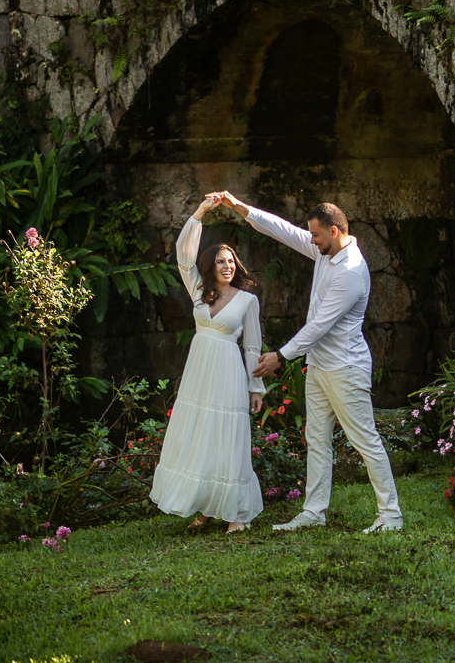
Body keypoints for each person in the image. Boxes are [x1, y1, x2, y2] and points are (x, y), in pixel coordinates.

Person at [213, 191, 403, 534]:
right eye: (310, 234)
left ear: (334, 231)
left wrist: (280, 356)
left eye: (315, 234)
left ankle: (391, 516)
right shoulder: (325, 250)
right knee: (316, 440)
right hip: (318, 367)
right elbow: (283, 230)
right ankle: (314, 512)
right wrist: (240, 208)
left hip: (346, 368)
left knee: (366, 441)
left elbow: (319, 326)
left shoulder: (351, 271)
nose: (310, 239)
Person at [149, 194, 265, 533]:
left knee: (228, 436)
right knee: (200, 435)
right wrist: (201, 212)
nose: (227, 266)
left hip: (229, 373)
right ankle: (205, 506)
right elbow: (184, 255)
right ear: (210, 268)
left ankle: (234, 515)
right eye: (221, 262)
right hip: (200, 374)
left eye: (231, 261)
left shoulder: (247, 301)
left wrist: (255, 386)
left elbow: (252, 347)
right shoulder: (199, 290)